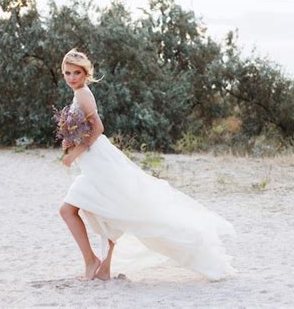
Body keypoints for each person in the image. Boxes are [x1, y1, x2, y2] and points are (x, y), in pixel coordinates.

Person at [58, 49, 237, 281]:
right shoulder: (79, 94)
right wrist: (69, 141)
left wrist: (74, 153)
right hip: (92, 162)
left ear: (85, 73)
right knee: (110, 211)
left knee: (70, 210)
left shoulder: (83, 94)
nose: (71, 77)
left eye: (76, 73)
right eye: (67, 73)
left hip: (99, 161)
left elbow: (98, 128)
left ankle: (93, 263)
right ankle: (101, 268)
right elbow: (83, 129)